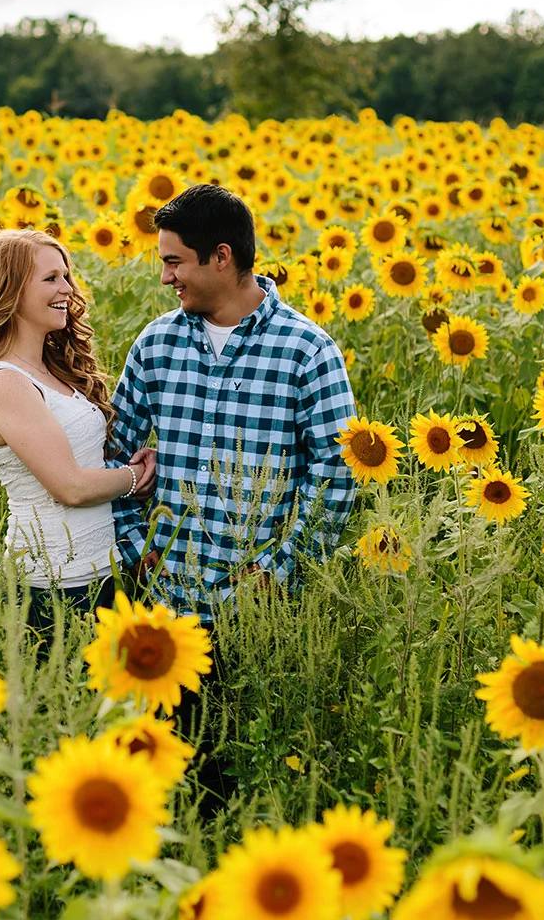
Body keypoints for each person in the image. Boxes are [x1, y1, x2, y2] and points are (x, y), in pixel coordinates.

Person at [109, 183, 358, 809]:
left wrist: (278, 575)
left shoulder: (307, 351)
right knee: (161, 781)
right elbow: (113, 454)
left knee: (252, 772)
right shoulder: (157, 344)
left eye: (174, 261)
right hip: (163, 607)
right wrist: (138, 548)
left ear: (221, 257)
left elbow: (336, 477)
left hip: (258, 613)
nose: (165, 277)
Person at [0, 228, 154, 648]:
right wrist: (136, 477)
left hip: (98, 574)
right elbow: (71, 487)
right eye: (50, 279)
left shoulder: (50, 371)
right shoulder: (4, 383)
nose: (67, 289)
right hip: (50, 588)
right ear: (8, 290)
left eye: (65, 276)